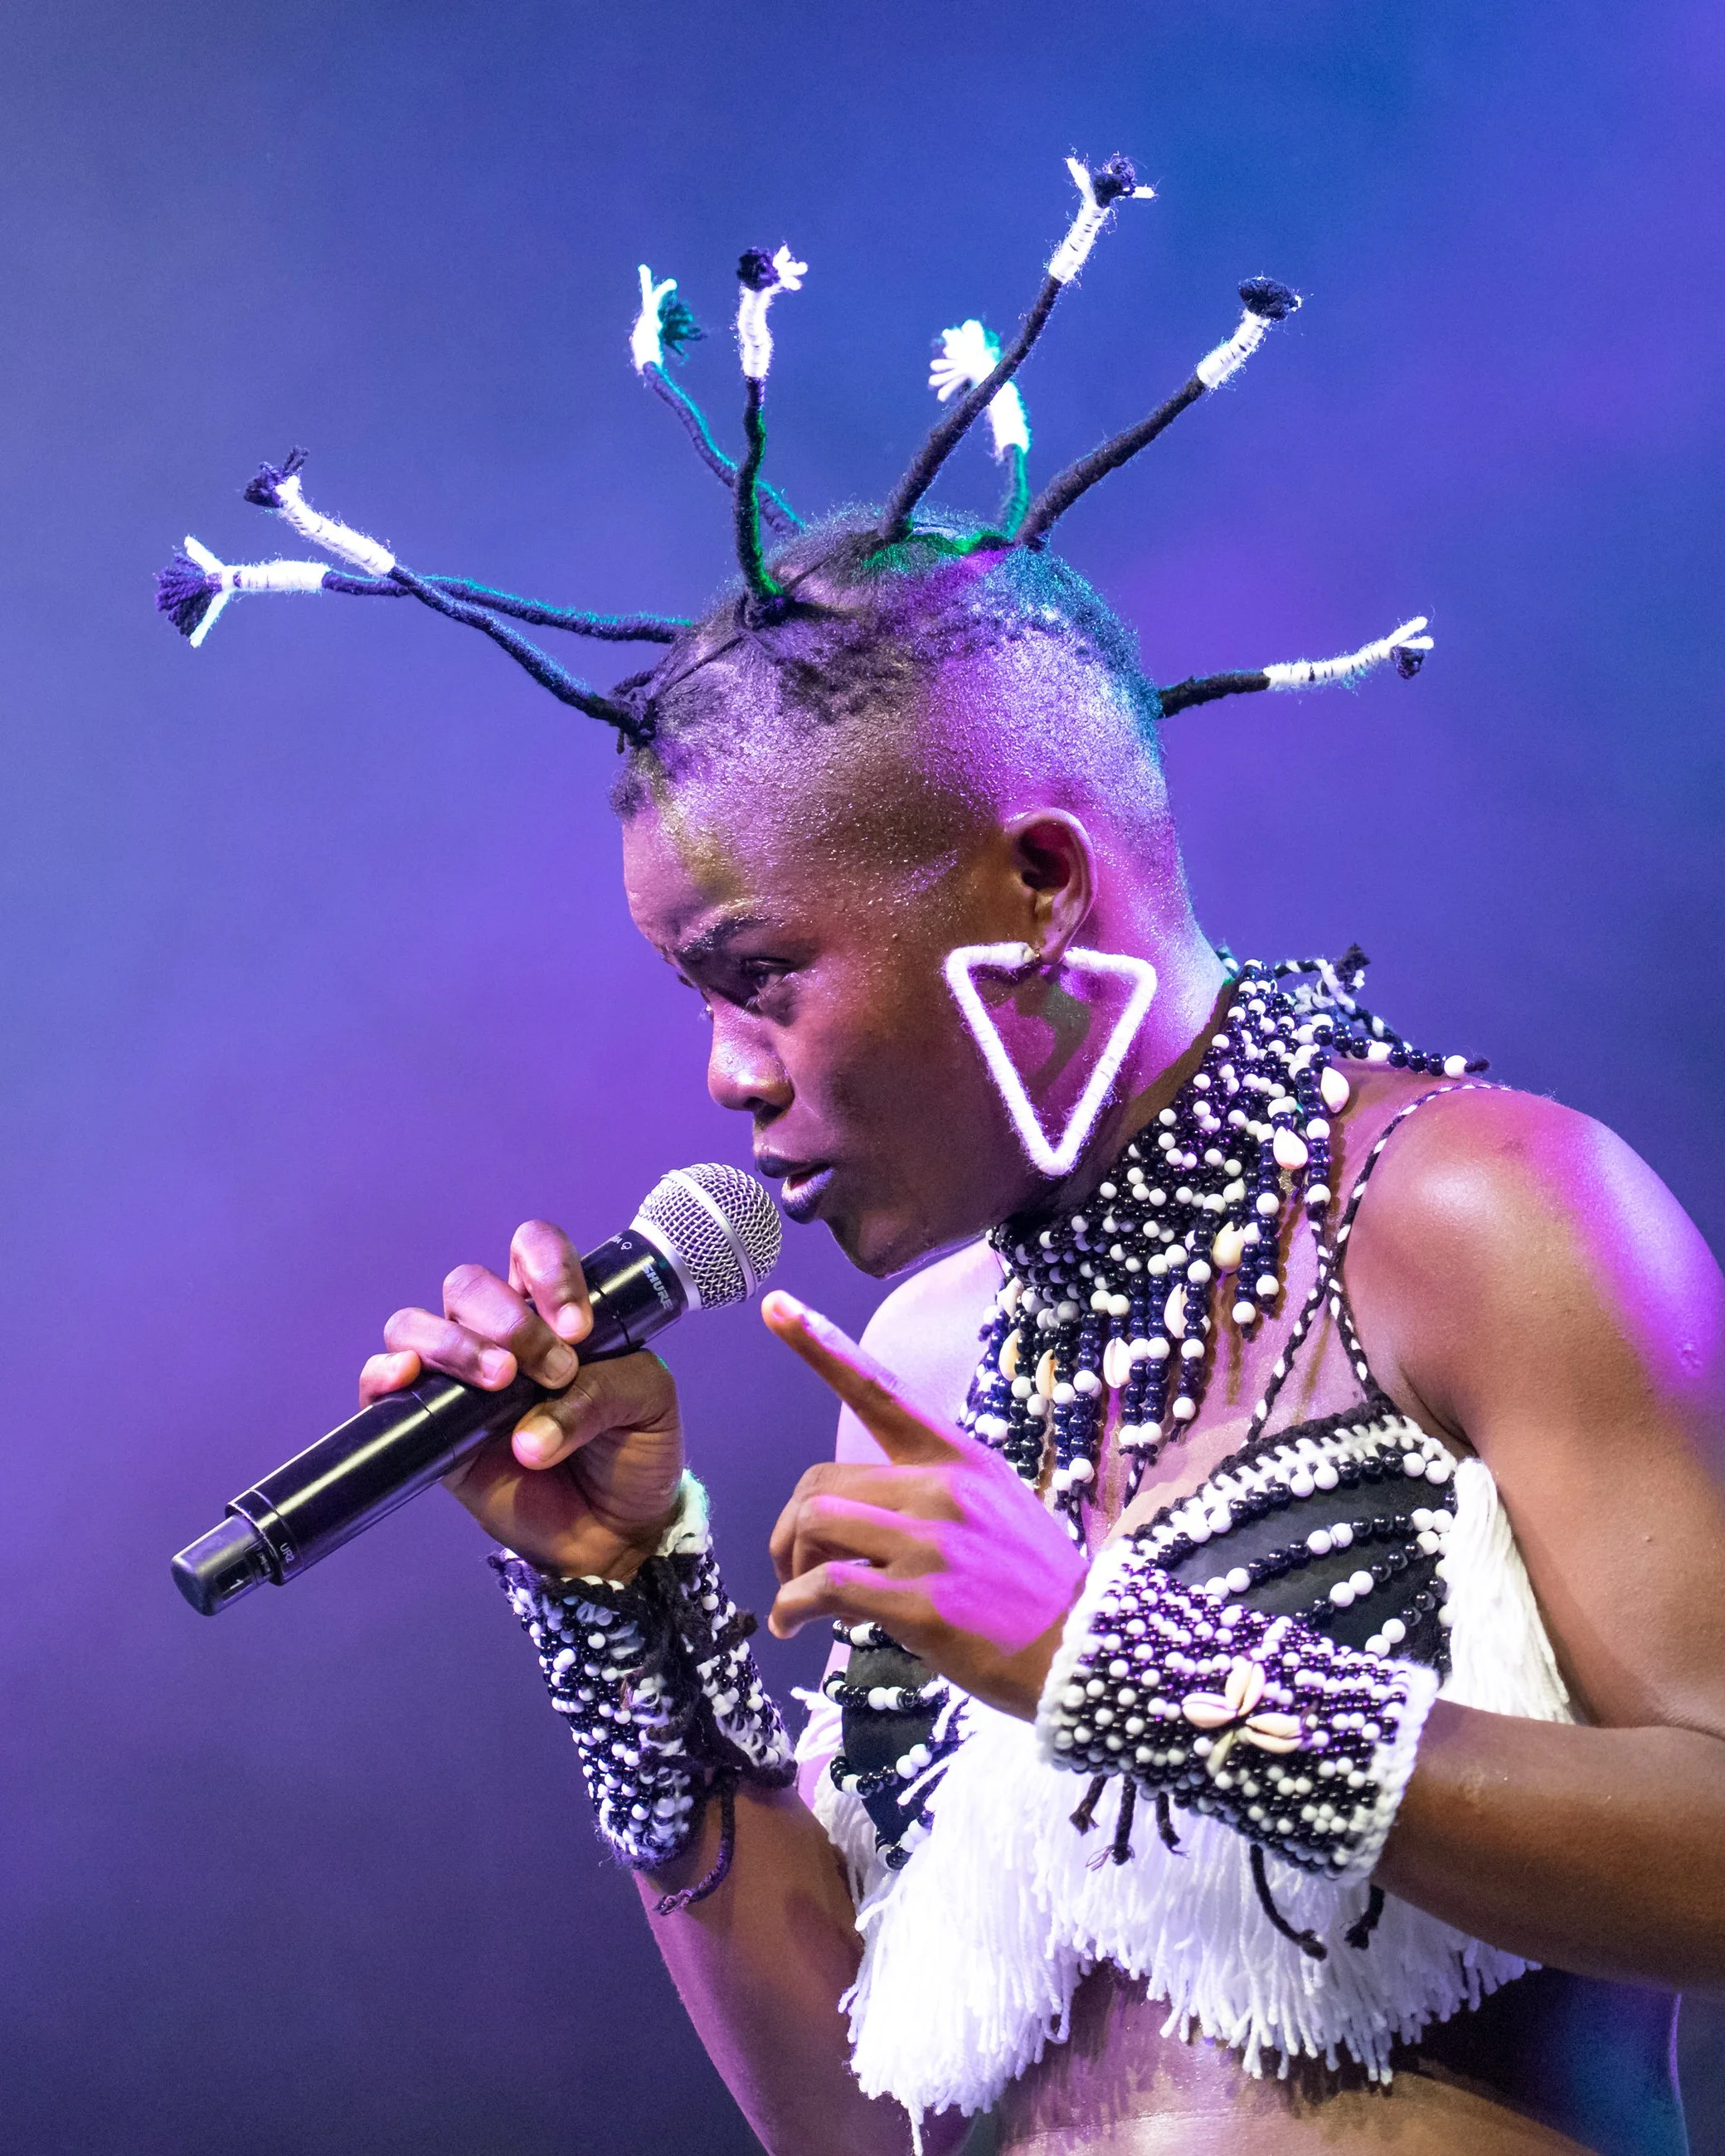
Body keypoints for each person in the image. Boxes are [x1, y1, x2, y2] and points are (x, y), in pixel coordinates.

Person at [162, 163, 1725, 2156]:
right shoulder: (917, 1362)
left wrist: (1108, 1655)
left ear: (1038, 886)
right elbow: (848, 2115)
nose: (726, 1081)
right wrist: (618, 1601)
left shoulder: (1467, 1208)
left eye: (758, 977)